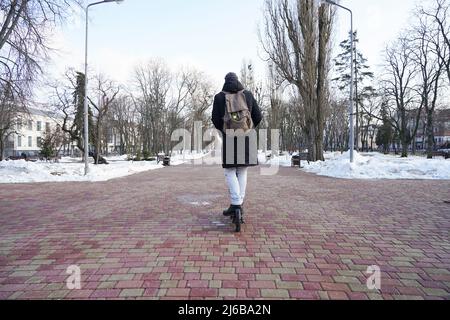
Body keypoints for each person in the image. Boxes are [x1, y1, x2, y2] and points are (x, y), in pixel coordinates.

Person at [212, 72, 263, 220]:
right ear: (238, 81)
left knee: (229, 171)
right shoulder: (247, 95)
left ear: (225, 81)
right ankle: (238, 204)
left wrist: (224, 131)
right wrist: (248, 128)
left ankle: (235, 204)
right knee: (242, 170)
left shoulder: (219, 97)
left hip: (230, 137)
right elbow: (258, 116)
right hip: (246, 138)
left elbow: (215, 118)